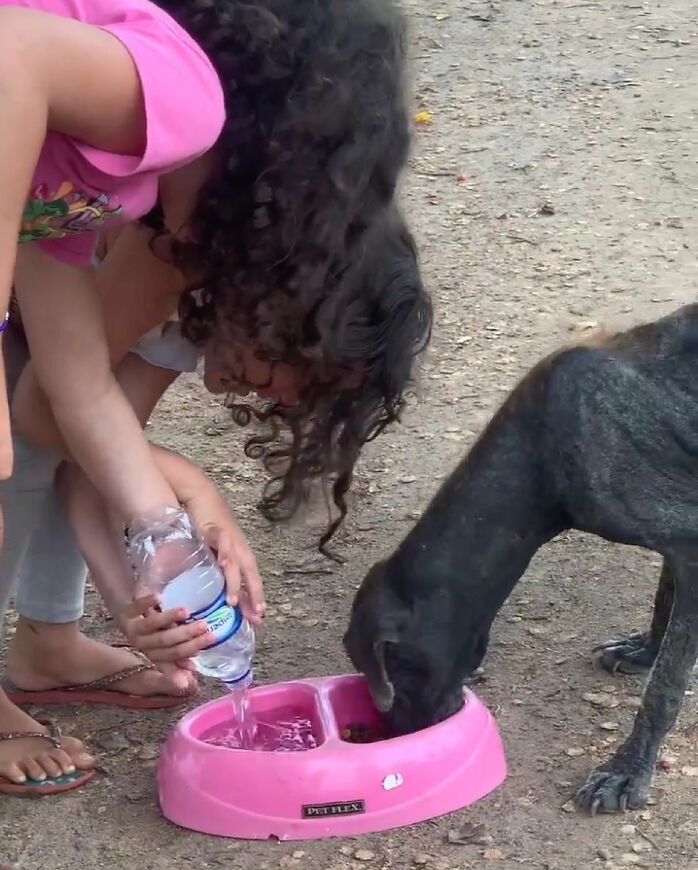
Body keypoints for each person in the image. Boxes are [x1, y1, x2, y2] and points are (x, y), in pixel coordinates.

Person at [1, 204, 431, 793]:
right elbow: (44, 413)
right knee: (12, 455)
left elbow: (89, 461)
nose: (283, 396)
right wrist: (190, 484)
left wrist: (133, 606)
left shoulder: (198, 318)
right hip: (18, 252)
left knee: (69, 445)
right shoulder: (166, 259)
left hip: (31, 294)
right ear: (281, 312)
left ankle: (48, 644)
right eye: (298, 371)